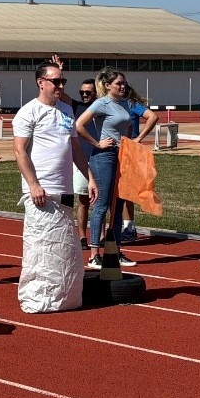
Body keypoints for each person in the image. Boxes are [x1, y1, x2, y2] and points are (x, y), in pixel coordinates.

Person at [12, 61, 94, 313]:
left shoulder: (67, 111)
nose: (60, 85)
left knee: (64, 248)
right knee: (42, 247)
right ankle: (37, 299)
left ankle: (64, 298)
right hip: (41, 192)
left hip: (64, 190)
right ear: (41, 82)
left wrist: (90, 178)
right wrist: (33, 185)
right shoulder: (28, 112)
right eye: (55, 81)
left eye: (62, 81)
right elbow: (19, 151)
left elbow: (75, 149)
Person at [74, 68, 142, 270]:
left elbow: (128, 127)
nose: (123, 86)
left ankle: (115, 252)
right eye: (119, 83)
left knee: (118, 206)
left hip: (122, 156)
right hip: (104, 157)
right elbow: (79, 125)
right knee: (101, 205)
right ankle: (94, 255)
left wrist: (130, 141)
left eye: (124, 83)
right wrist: (97, 143)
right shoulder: (101, 103)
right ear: (107, 85)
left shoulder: (124, 103)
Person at [116, 82, 158, 243]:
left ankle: (129, 228)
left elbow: (153, 116)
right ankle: (120, 226)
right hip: (114, 150)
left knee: (127, 191)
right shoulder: (110, 104)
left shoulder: (131, 104)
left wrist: (138, 138)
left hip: (129, 150)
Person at [71, 78, 97, 246]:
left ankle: (100, 237)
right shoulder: (77, 107)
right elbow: (61, 94)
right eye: (82, 92)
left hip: (101, 159)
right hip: (83, 160)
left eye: (88, 92)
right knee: (83, 200)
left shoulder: (103, 108)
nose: (84, 95)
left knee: (101, 202)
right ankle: (82, 237)